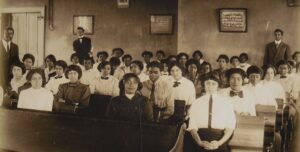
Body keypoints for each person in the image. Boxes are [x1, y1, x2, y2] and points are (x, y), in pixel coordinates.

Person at [183, 73, 236, 152]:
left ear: (218, 85)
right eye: (207, 83)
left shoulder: (226, 103)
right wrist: (200, 143)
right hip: (200, 138)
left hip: (219, 139)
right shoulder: (196, 102)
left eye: (213, 84)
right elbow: (192, 126)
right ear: (204, 85)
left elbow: (230, 127)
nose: (210, 86)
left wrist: (219, 143)